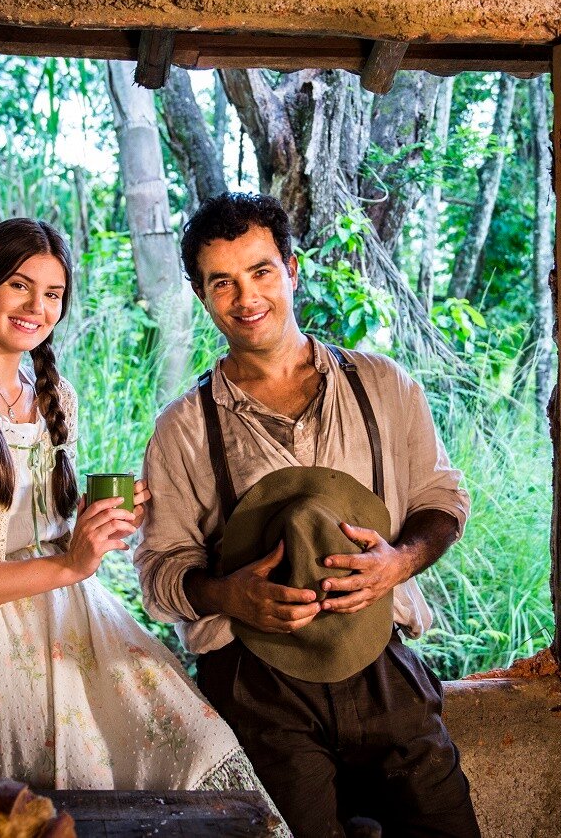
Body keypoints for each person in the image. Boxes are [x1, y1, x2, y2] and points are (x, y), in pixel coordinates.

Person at [0, 217, 290, 831]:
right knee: (73, 787)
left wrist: (94, 526)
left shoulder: (55, 392)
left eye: (53, 294)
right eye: (19, 286)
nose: (36, 307)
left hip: (68, 604)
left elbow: (45, 535)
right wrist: (65, 565)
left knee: (192, 737)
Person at [136, 193, 482, 838]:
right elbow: (160, 570)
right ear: (202, 294)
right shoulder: (183, 429)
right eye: (223, 282)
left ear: (292, 270)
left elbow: (443, 500)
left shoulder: (384, 385)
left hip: (382, 660)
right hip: (255, 680)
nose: (247, 298)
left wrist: (398, 562)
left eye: (261, 271)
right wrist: (225, 593)